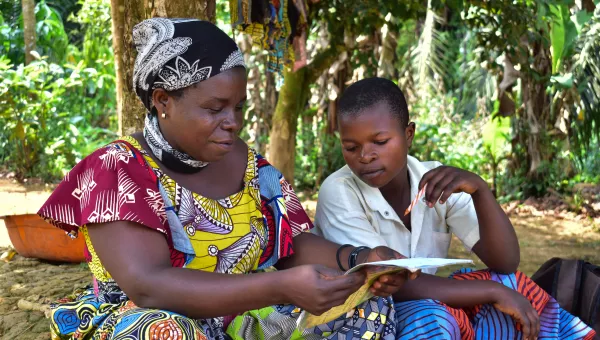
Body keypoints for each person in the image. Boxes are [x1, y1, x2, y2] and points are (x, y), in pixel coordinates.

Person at [38, 19, 413, 340]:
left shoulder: (248, 163)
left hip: (246, 315)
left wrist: (359, 261)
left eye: (237, 108)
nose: (232, 122)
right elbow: (149, 287)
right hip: (151, 319)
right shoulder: (115, 169)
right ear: (163, 100)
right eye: (215, 109)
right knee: (161, 331)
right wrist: (280, 287)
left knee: (365, 305)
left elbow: (291, 244)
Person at [314, 77, 597, 339]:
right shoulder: (339, 191)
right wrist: (490, 290)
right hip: (362, 315)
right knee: (433, 318)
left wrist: (481, 191)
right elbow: (388, 282)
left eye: (380, 142)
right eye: (351, 147)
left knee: (514, 285)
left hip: (428, 300)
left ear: (409, 133)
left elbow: (505, 262)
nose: (366, 156)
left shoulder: (435, 180)